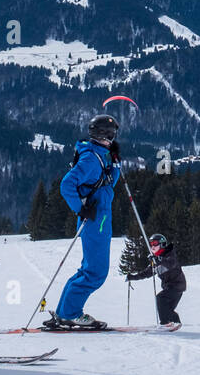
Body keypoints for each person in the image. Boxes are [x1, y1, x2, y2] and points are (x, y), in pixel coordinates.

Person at [43, 114, 121, 330]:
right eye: (110, 134)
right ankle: (70, 313)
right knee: (96, 272)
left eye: (114, 134)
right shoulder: (90, 159)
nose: (112, 138)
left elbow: (106, 183)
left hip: (100, 216)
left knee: (88, 269)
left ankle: (65, 312)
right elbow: (67, 184)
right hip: (95, 219)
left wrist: (115, 164)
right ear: (101, 134)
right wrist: (81, 209)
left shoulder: (99, 154)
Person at [127, 233, 186, 325]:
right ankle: (175, 322)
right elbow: (147, 273)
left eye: (155, 243)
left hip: (176, 286)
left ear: (162, 244)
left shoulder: (170, 254)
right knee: (167, 309)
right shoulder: (156, 259)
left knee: (160, 298)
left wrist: (157, 260)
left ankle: (165, 323)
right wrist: (133, 277)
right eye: (151, 244)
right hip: (170, 287)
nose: (152, 246)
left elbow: (169, 264)